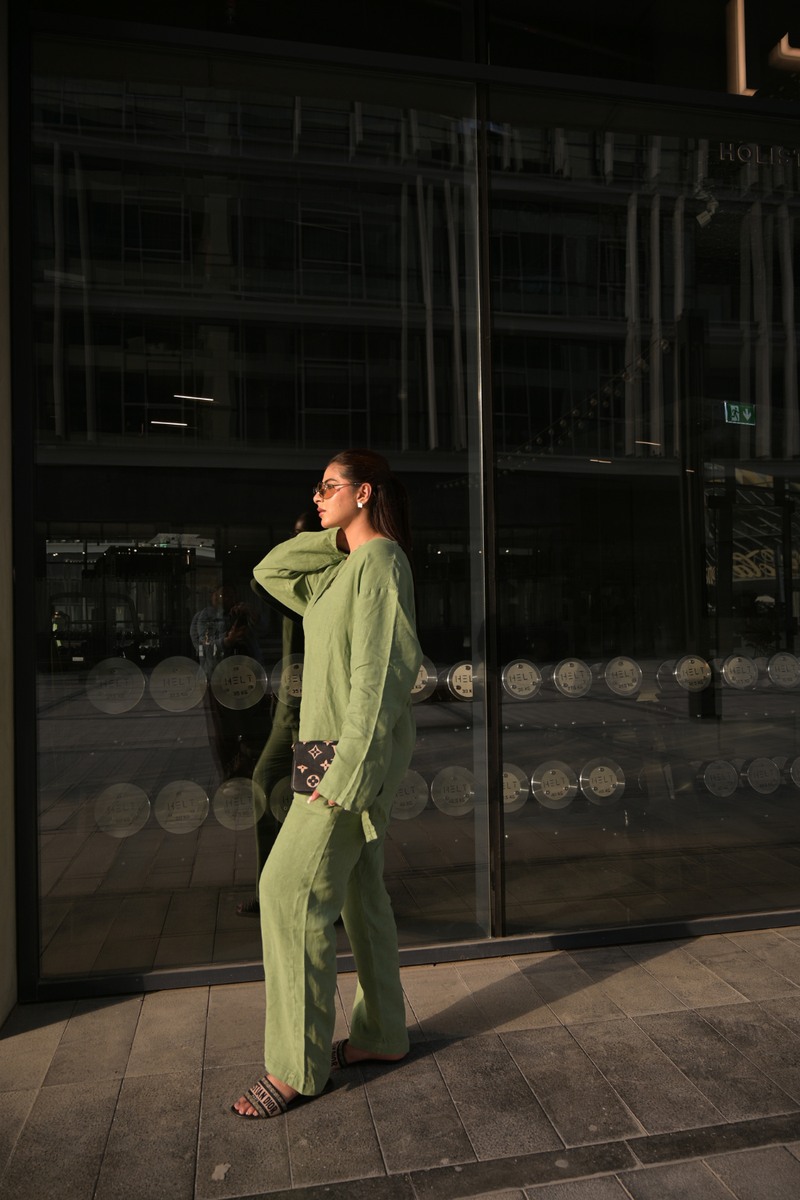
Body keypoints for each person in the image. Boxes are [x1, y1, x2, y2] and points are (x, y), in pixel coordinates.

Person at [232, 448, 422, 1119]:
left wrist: (349, 771)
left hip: (346, 757)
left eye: (329, 487)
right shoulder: (338, 569)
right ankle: (382, 1036)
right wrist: (335, 529)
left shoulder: (382, 564)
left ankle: (296, 1068)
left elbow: (383, 675)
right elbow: (269, 570)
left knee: (286, 890)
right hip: (322, 750)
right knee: (360, 895)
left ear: (365, 490)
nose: (317, 497)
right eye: (316, 489)